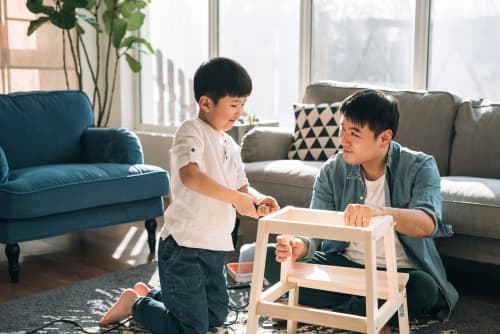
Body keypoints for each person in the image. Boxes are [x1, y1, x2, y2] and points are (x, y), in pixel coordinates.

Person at [99, 57, 280, 333]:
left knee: (217, 317)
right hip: (184, 249)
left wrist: (256, 201)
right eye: (234, 105)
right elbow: (190, 175)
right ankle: (135, 303)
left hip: (214, 248)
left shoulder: (230, 144)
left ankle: (151, 295)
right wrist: (235, 198)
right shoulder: (190, 131)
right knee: (192, 328)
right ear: (206, 103)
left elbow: (242, 188)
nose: (239, 112)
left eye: (243, 105)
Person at [265, 89, 458, 334]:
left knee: (424, 289)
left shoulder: (420, 166)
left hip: (399, 272)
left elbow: (427, 223)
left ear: (384, 138)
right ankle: (366, 313)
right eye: (342, 129)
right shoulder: (332, 170)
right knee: (272, 258)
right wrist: (300, 246)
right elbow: (315, 228)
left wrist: (378, 212)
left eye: (354, 133)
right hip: (345, 265)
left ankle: (328, 312)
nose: (343, 140)